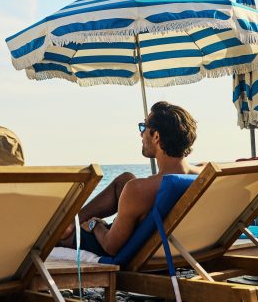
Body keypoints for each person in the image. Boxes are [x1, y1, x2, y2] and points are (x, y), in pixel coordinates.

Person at [57, 101, 201, 257]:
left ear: (156, 136)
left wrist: (95, 224)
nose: (141, 134)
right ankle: (71, 223)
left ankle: (66, 229)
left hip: (114, 243)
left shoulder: (139, 189)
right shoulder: (203, 174)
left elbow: (110, 246)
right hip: (178, 245)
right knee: (125, 179)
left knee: (59, 236)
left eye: (144, 127)